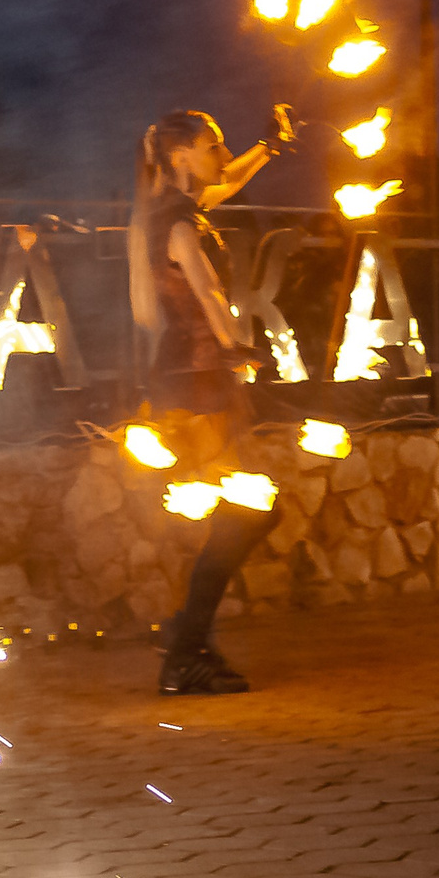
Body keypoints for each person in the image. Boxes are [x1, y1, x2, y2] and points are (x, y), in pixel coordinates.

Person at [130, 107, 293, 692]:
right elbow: (206, 287)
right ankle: (185, 646)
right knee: (250, 507)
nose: (221, 155)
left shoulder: (178, 210)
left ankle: (185, 635)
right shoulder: (178, 222)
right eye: (212, 146)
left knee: (248, 508)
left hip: (196, 379)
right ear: (181, 156)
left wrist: (268, 146)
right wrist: (236, 347)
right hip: (198, 382)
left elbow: (230, 183)